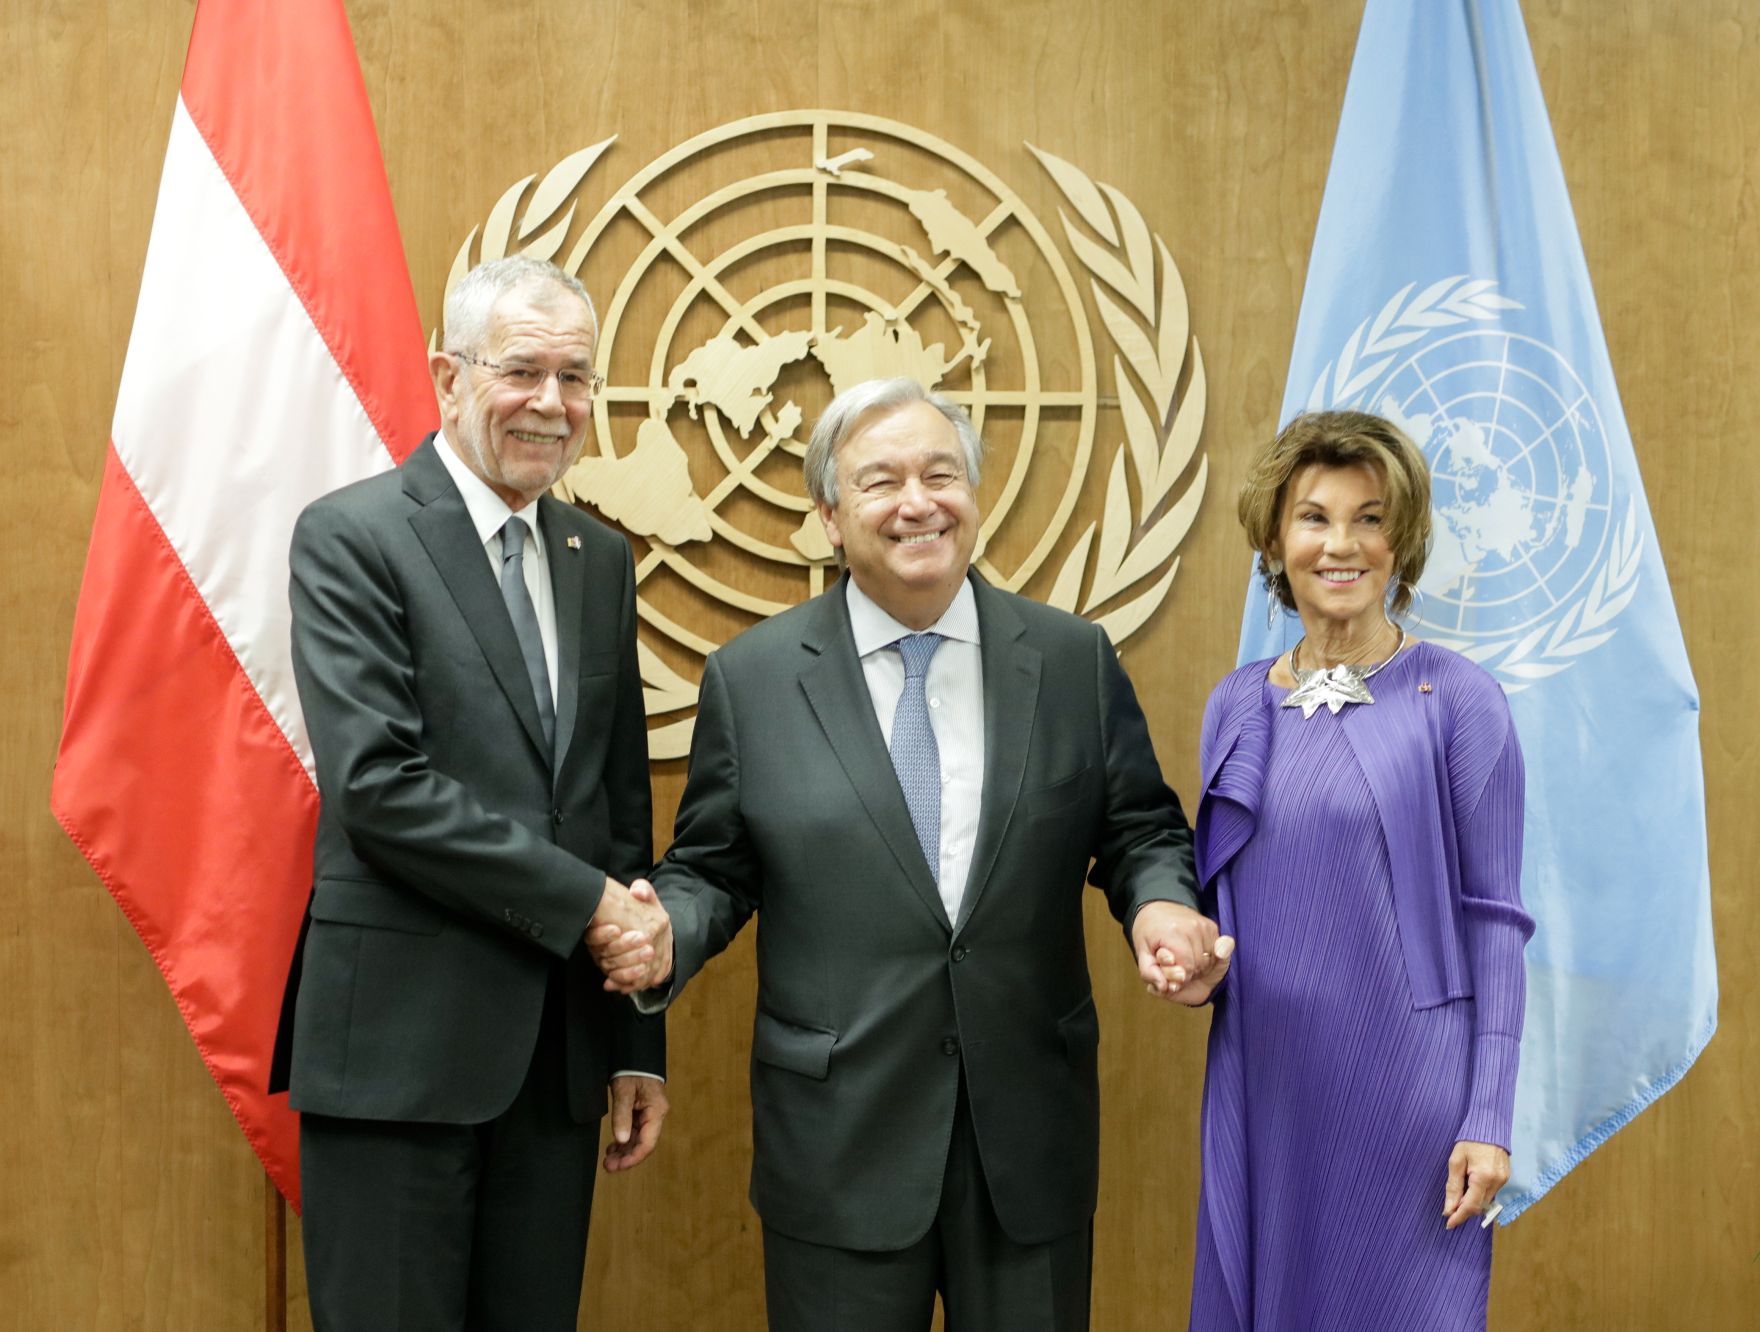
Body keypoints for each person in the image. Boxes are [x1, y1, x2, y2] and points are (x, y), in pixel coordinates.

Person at [593, 376, 1230, 1332]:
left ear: (974, 494)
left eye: (941, 474)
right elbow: (714, 868)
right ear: (828, 516)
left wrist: (1162, 905)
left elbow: (1139, 828)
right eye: (881, 481)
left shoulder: (1071, 660)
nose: (918, 502)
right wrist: (665, 934)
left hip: (1028, 1139)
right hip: (839, 1143)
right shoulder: (754, 679)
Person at [268, 255, 670, 1331]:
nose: (552, 403)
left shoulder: (597, 558)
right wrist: (587, 905)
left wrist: (633, 1039)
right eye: (522, 371)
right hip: (396, 1057)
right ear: (449, 376)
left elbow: (615, 809)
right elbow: (379, 788)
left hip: (555, 1064)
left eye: (575, 377)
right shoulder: (353, 535)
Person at [1188, 410, 1533, 1330]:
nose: (1340, 544)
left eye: (1369, 519)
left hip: (1410, 1097)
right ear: (1274, 539)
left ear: (1401, 540)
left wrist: (1489, 1116)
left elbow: (1496, 924)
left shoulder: (1460, 700)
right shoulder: (1234, 704)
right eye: (1314, 517)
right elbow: (1220, 911)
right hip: (1264, 1087)